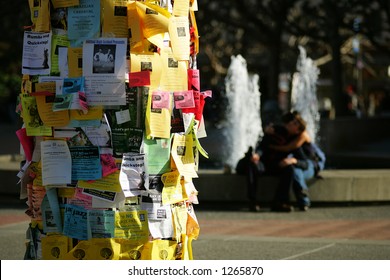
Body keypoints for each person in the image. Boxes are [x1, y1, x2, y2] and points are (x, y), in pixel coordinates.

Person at [255, 111, 316, 212]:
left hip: (312, 161)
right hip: (269, 162)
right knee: (292, 169)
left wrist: (292, 160)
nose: (291, 123)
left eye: (295, 123)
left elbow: (288, 149)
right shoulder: (279, 130)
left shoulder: (300, 137)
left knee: (295, 172)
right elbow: (268, 134)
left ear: (297, 131)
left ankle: (299, 201)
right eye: (292, 121)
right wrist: (267, 129)